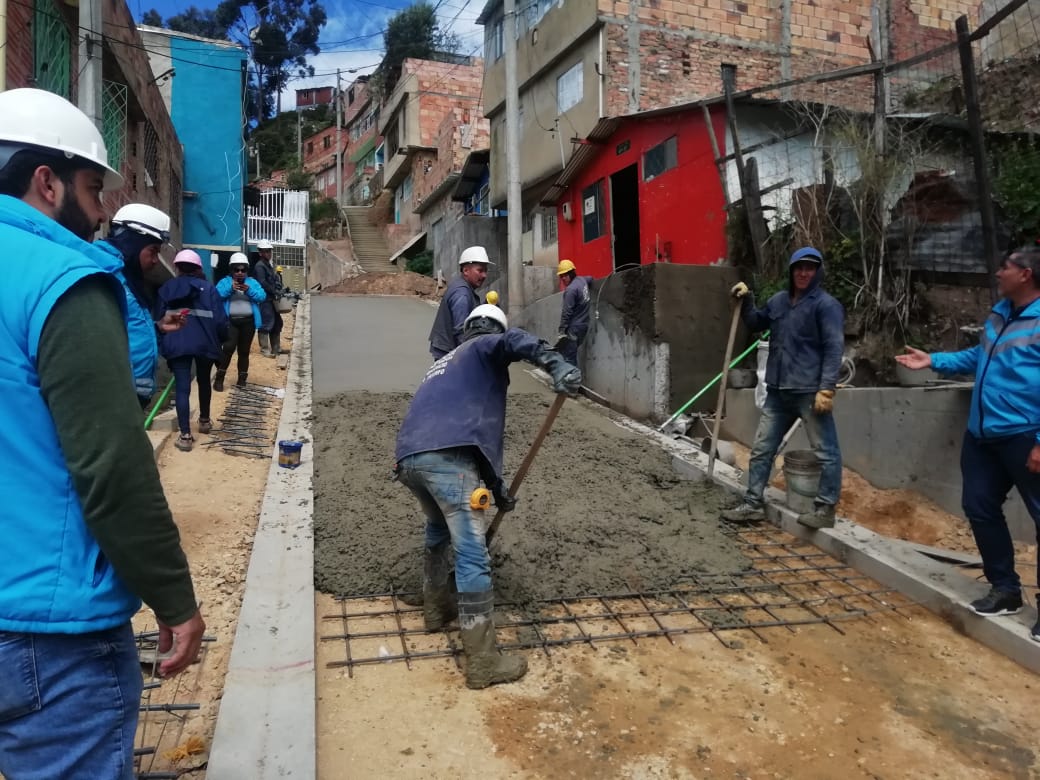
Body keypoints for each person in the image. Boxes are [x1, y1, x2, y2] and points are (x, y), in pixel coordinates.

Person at [0, 87, 204, 779]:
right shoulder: (60, 275)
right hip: (44, 630)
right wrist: (174, 597)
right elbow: (110, 464)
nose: (98, 214)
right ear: (45, 180)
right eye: (93, 189)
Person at [395, 304, 581, 689]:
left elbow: (472, 434)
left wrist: (497, 490)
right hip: (449, 460)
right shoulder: (487, 347)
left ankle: (435, 610)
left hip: (410, 459)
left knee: (437, 530)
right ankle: (482, 661)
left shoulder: (446, 361)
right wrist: (556, 363)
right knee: (472, 554)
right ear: (491, 330)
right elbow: (514, 341)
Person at [896, 246, 1040, 636]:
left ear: (1025, 274)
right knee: (979, 506)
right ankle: (1005, 590)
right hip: (983, 433)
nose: (998, 272)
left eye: (1004, 266)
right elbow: (981, 356)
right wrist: (934, 361)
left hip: (1024, 435)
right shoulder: (999, 313)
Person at [721, 246, 845, 529]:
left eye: (810, 268)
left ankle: (825, 509)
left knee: (826, 451)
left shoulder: (826, 306)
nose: (803, 273)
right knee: (763, 448)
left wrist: (827, 388)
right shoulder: (778, 302)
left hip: (809, 392)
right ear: (791, 271)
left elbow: (834, 347)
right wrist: (747, 299)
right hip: (777, 391)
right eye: (799, 268)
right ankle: (752, 503)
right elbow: (755, 322)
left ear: (817, 272)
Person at [102, 202, 180, 406]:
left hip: (130, 397)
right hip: (114, 398)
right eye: (153, 251)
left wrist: (158, 327)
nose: (156, 260)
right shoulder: (104, 277)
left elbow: (124, 332)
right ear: (132, 243)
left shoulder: (128, 280)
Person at [156, 250, 229, 451]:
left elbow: (159, 320)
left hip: (178, 342)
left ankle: (186, 435)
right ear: (199, 268)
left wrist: (164, 343)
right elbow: (221, 321)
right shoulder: (209, 289)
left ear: (177, 267)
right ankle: (204, 421)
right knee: (204, 380)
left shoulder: (167, 288)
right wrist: (221, 341)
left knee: (182, 388)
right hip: (204, 343)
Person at [428, 245, 493, 359]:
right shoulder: (461, 294)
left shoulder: (461, 286)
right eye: (480, 270)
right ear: (466, 270)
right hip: (448, 353)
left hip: (446, 348)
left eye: (485, 271)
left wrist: (485, 307)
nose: (484, 275)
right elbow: (461, 332)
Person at [215, 252, 266, 390]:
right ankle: (219, 379)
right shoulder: (225, 282)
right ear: (231, 270)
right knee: (228, 348)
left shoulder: (252, 283)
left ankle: (242, 380)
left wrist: (249, 291)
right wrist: (230, 289)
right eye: (236, 269)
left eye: (243, 270)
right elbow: (216, 295)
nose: (239, 273)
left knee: (244, 351)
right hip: (231, 321)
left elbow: (262, 296)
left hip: (248, 322)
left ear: (247, 270)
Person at [554, 259, 592, 365]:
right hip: (584, 326)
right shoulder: (582, 280)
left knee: (569, 358)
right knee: (570, 354)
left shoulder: (570, 290)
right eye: (561, 276)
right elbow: (590, 279)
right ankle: (572, 378)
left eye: (565, 276)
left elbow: (566, 312)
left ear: (571, 273)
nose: (563, 279)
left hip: (574, 329)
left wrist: (561, 331)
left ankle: (573, 380)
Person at [252, 239, 283, 357]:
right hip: (265, 299)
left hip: (272, 298)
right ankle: (265, 349)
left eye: (269, 251)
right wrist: (274, 290)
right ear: (260, 253)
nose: (268, 253)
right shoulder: (260, 266)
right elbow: (262, 282)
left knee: (277, 323)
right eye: (266, 251)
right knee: (267, 323)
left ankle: (276, 348)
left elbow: (274, 279)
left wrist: (278, 287)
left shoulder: (268, 265)